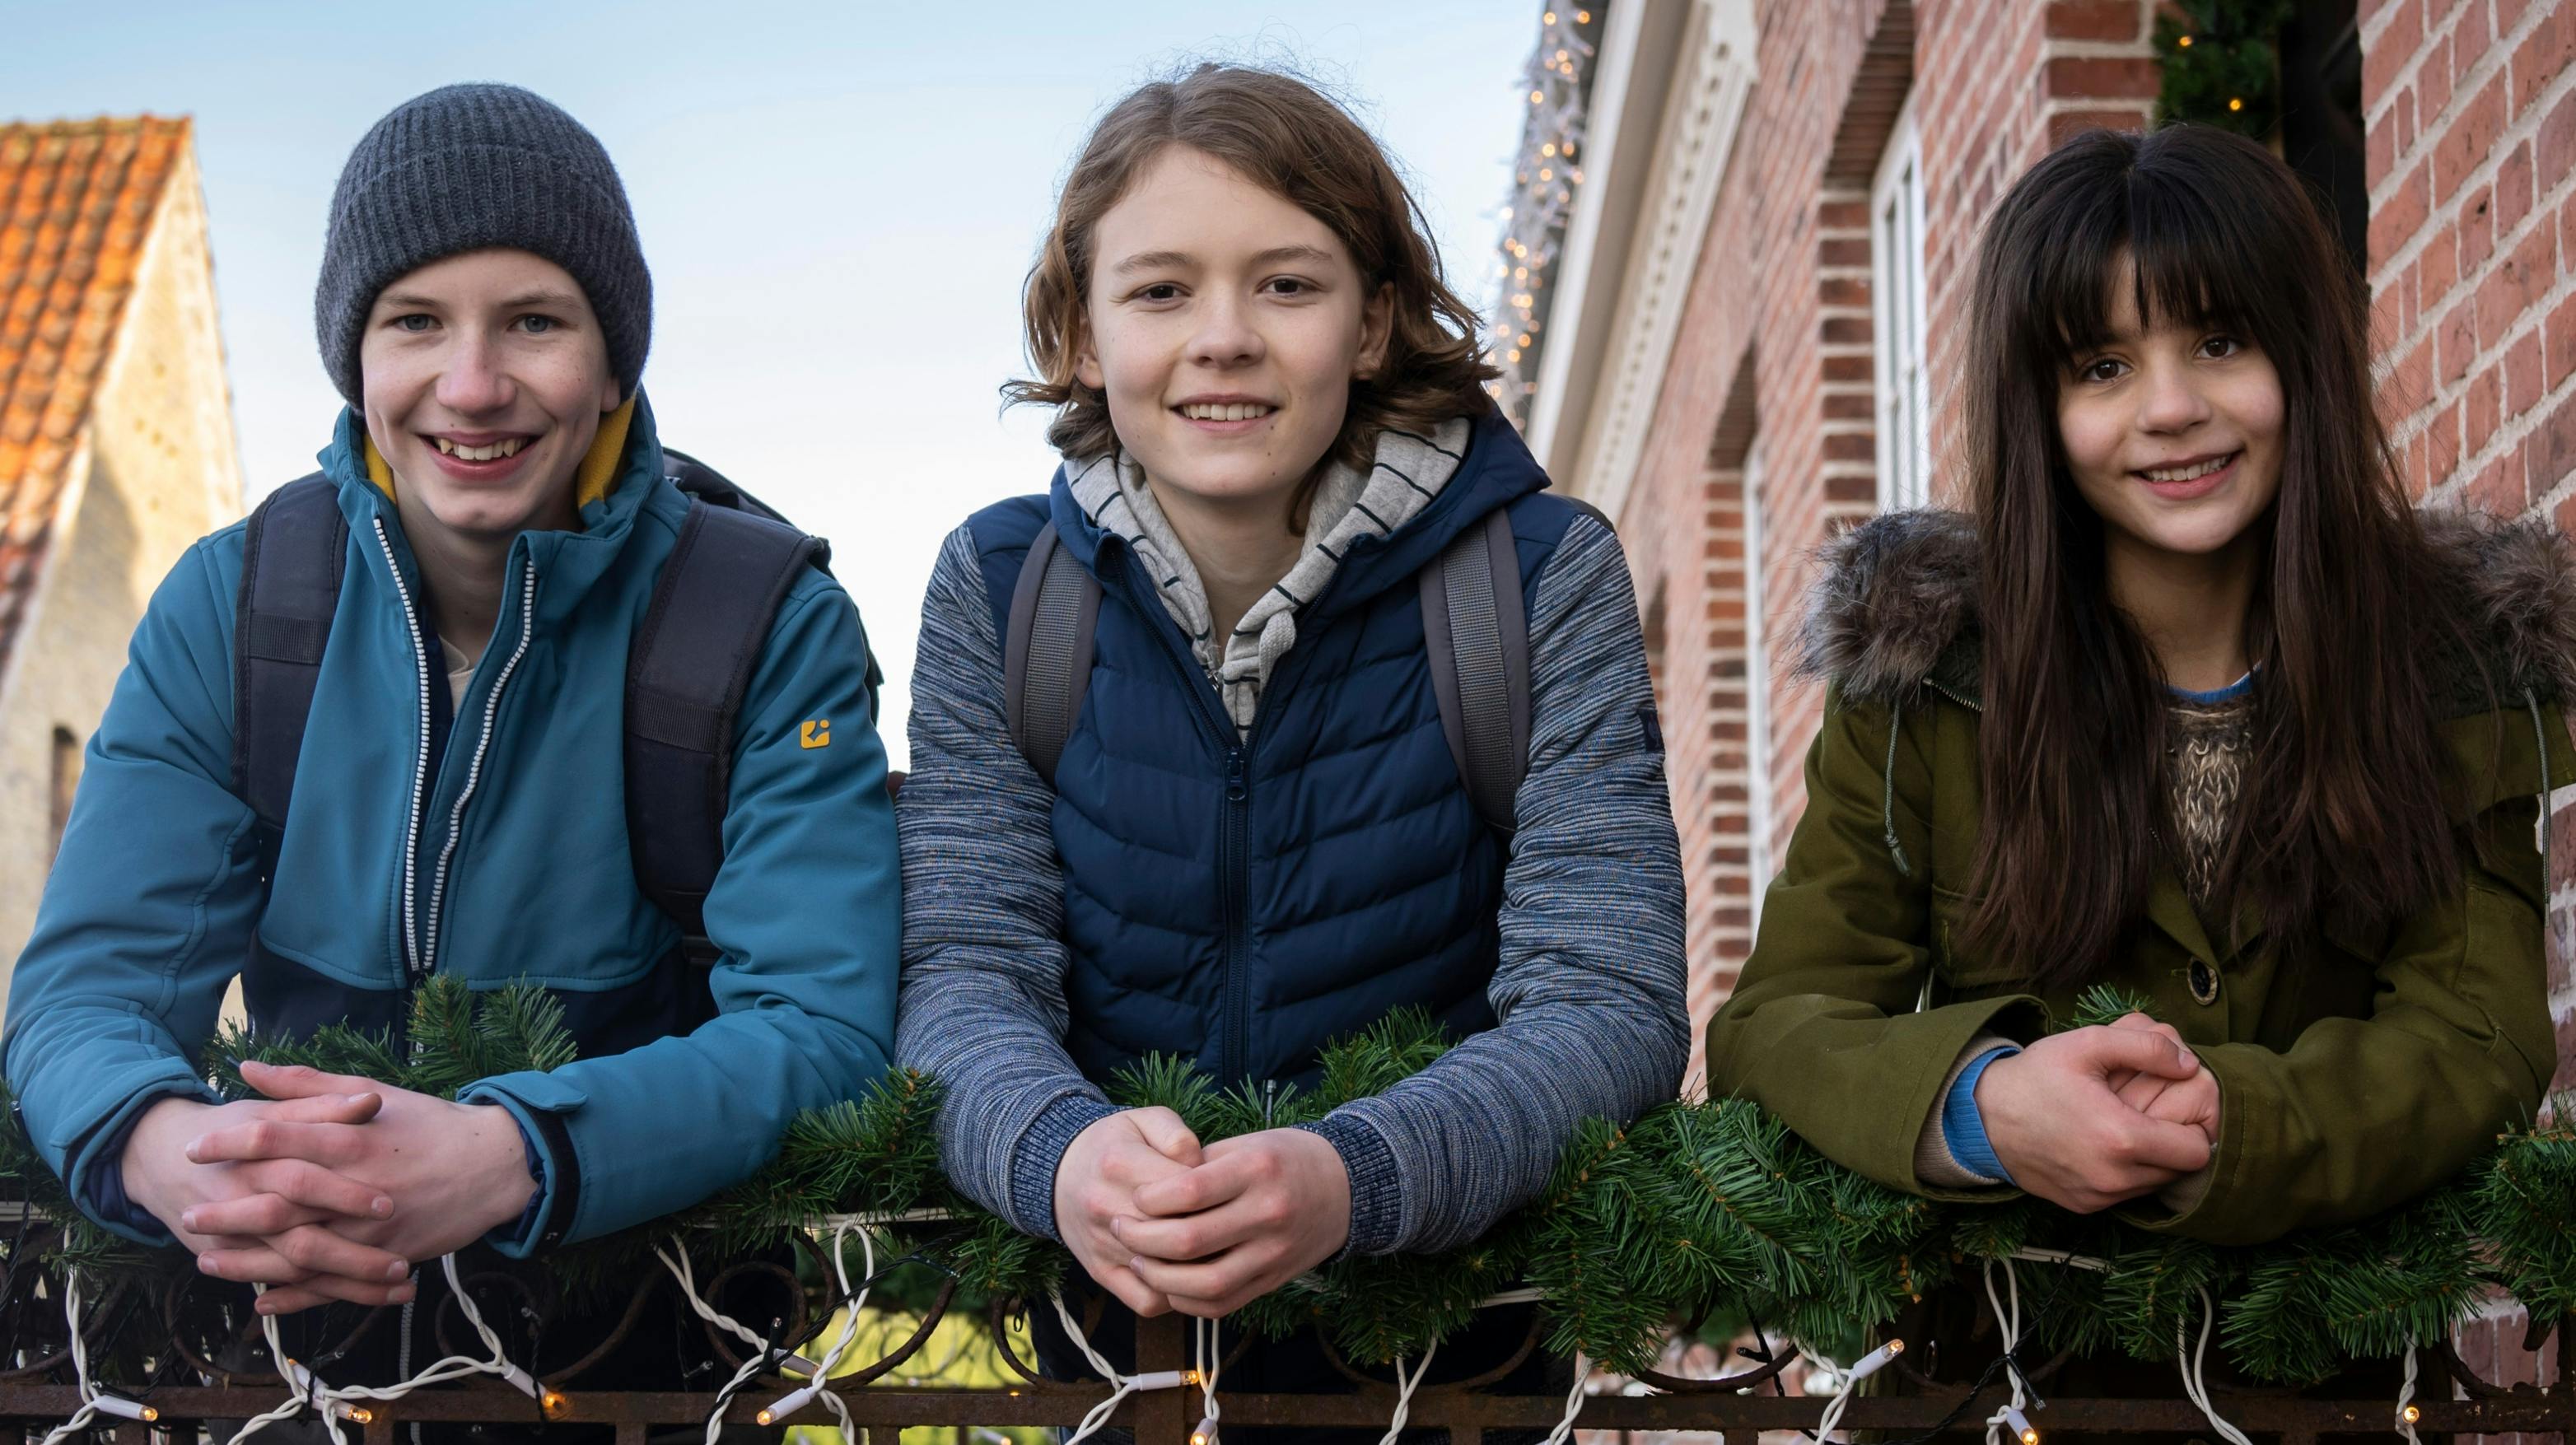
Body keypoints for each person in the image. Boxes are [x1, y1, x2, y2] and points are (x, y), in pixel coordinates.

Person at [3, 82, 898, 1395]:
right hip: (296, 1348)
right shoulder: (235, 609)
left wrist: (511, 1154)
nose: (472, 388)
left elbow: (823, 1027)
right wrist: (168, 1151)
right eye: (415, 322)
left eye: (534, 321)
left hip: (658, 1354)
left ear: (614, 363)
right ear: (355, 360)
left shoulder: (765, 624)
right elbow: (86, 993)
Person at [1706, 123, 2570, 1405]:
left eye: (2220, 342)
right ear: (2040, 410)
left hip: (2333, 1402)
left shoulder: (2452, 670)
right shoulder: (1927, 681)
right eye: (2103, 365)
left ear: (2302, 358)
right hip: (1994, 1392)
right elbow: (1779, 1025)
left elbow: (2474, 1036)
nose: (2170, 408)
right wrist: (1986, 1108)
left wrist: (2229, 1122)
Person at [894, 62, 1687, 1423]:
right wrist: (1061, 1156)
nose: (1224, 338)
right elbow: (962, 972)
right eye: (1160, 291)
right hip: (1113, 1366)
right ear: (1081, 334)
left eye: (1287, 284)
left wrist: (1351, 1178)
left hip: (1449, 1374)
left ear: (1372, 323)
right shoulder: (1002, 589)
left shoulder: (1538, 577)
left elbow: (1607, 1000)